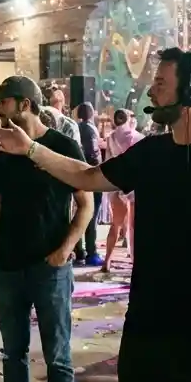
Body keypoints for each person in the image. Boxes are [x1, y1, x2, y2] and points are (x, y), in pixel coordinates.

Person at [0, 49, 191, 382]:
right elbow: (88, 176)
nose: (151, 91)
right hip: (144, 324)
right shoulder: (151, 152)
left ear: (190, 92)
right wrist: (30, 148)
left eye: (161, 83)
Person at [0, 76, 93, 382]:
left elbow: (86, 203)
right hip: (8, 267)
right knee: (13, 354)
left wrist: (65, 250)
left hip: (50, 267)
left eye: (3, 102)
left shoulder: (63, 146)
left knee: (58, 357)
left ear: (25, 105)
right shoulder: (2, 151)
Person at [101, 108, 143, 272]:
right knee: (133, 226)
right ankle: (135, 261)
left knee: (115, 224)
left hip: (116, 184)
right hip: (133, 186)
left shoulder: (111, 137)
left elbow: (108, 161)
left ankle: (107, 261)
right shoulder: (137, 137)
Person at [75, 101, 104, 267]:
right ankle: (91, 252)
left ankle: (79, 250)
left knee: (79, 212)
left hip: (77, 175)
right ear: (92, 113)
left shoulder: (77, 127)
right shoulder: (90, 129)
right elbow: (92, 151)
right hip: (91, 176)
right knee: (92, 214)